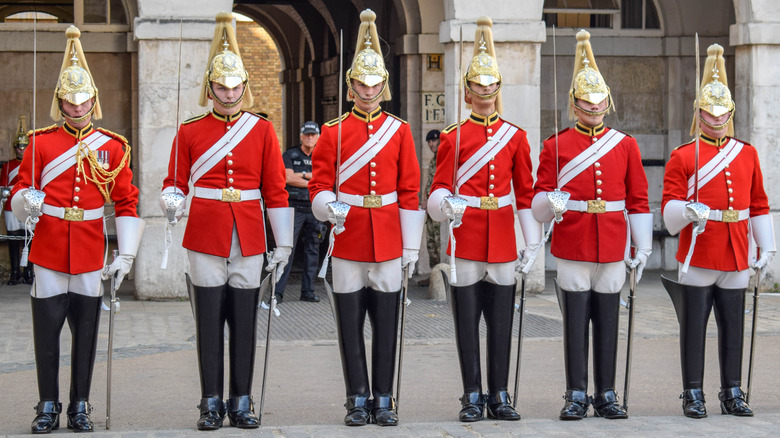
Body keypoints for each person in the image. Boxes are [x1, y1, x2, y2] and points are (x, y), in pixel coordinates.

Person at [160, 12, 293, 430]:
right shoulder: (190, 131)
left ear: (245, 88)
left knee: (244, 322)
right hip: (205, 232)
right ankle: (210, 402)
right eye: (222, 86)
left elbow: (275, 191)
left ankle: (241, 401)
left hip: (250, 235)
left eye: (235, 87)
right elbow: (174, 181)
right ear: (210, 88)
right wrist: (171, 199)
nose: (229, 93)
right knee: (208, 323)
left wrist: (284, 243)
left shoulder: (262, 131)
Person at [11, 26, 144, 433]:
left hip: (88, 250)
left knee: (86, 335)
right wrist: (24, 203)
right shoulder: (41, 143)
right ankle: (48, 405)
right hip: (49, 246)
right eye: (70, 100)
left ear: (94, 100)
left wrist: (125, 253)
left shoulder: (112, 145)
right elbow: (19, 191)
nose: (77, 106)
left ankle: (80, 404)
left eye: (83, 99)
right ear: (60, 102)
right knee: (46, 335)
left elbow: (126, 200)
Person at [309, 9, 424, 427]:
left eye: (375, 83)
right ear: (351, 85)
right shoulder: (333, 132)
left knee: (387, 324)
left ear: (384, 85)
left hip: (389, 238)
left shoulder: (399, 131)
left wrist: (410, 246)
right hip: (349, 237)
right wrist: (328, 208)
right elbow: (319, 185)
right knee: (349, 323)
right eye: (362, 83)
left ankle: (385, 398)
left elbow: (409, 192)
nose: (369, 90)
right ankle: (357, 397)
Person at [532, 30, 651, 420]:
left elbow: (636, 200)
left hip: (613, 242)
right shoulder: (556, 145)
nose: (595, 107)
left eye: (600, 101)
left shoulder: (626, 144)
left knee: (608, 319)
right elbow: (539, 199)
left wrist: (642, 245)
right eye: (587, 101)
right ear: (575, 103)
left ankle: (607, 393)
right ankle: (576, 393)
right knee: (576, 322)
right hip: (574, 242)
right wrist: (552, 203)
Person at [427, 16, 542, 423]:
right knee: (466, 323)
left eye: (491, 87)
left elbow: (525, 193)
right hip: (467, 237)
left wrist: (532, 244)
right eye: (478, 87)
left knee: (501, 323)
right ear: (468, 91)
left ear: (498, 89)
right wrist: (446, 204)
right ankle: (472, 393)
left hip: (503, 240)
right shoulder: (453, 138)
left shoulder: (515, 137)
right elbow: (437, 189)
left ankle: (501, 393)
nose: (485, 94)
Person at [661, 43, 775, 419]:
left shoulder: (747, 153)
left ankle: (732, 390)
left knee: (734, 327)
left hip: (737, 249)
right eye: (710, 112)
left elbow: (757, 203)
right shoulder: (683, 155)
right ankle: (692, 392)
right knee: (694, 327)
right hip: (700, 249)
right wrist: (687, 211)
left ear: (730, 112)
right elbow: (668, 210)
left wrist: (766, 246)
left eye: (722, 112)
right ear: (700, 113)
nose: (717, 118)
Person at [274, 120, 325, 303]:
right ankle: (277, 292)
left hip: (315, 209)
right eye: (307, 135)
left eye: (313, 135)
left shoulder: (324, 155)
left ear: (318, 137)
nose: (310, 138)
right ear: (301, 136)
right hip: (293, 207)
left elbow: (328, 178)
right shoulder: (290, 155)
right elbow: (287, 178)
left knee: (313, 249)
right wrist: (312, 179)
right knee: (287, 248)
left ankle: (308, 291)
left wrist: (301, 175)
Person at [2, 115, 33, 285]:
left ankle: (28, 272)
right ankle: (14, 273)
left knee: (30, 240)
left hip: (28, 207)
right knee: (13, 240)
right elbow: (3, 186)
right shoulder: (7, 166)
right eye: (18, 147)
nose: (21, 150)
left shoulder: (34, 163)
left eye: (23, 147)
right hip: (10, 208)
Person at [417, 129, 441, 287]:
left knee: (438, 240)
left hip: (438, 207)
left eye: (435, 140)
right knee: (431, 241)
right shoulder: (434, 160)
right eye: (429, 142)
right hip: (430, 207)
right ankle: (435, 274)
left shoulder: (443, 157)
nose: (432, 144)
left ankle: (440, 275)